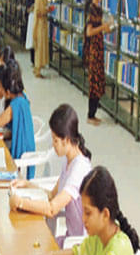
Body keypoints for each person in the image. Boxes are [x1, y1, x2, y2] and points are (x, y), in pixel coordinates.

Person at [11, 104, 93, 246]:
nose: (53, 145)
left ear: (67, 140)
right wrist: (28, 184)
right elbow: (52, 195)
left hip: (78, 245)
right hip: (69, 238)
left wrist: (20, 202)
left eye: (55, 140)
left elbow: (52, 208)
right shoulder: (68, 161)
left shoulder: (79, 169)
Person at [0, 60, 36, 178]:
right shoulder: (22, 97)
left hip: (22, 155)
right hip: (26, 147)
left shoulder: (16, 105)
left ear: (8, 91)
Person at [84, 0, 112, 125]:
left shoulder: (98, 10)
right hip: (93, 49)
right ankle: (90, 115)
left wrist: (107, 27)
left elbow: (99, 29)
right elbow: (89, 32)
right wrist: (102, 27)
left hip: (99, 46)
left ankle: (93, 112)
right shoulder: (91, 9)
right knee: (94, 81)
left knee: (99, 79)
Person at [33, 0, 50, 78]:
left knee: (43, 47)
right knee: (39, 47)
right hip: (39, 26)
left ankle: (38, 67)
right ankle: (37, 69)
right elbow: (38, 13)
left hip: (44, 25)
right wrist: (46, 11)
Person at [24, 0, 38, 66]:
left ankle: (37, 59)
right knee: (32, 38)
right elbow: (28, 9)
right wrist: (33, 7)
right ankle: (32, 59)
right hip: (32, 19)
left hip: (38, 19)